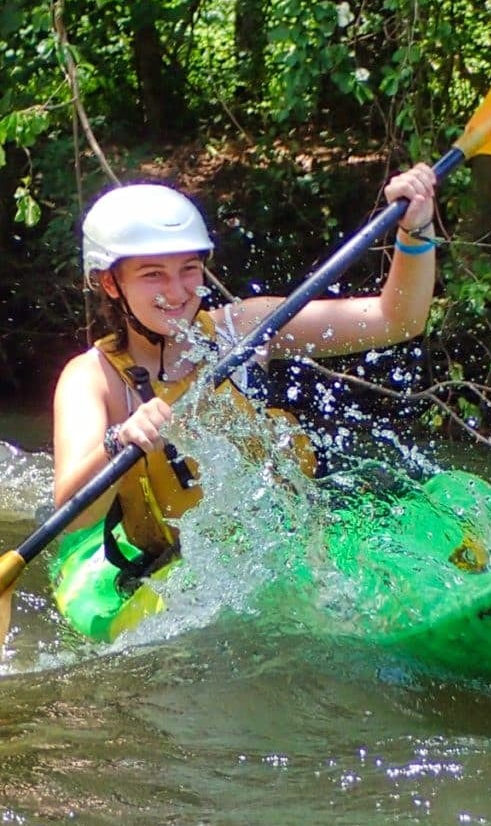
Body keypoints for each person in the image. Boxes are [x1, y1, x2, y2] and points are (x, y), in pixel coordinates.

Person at [53, 163, 437, 576]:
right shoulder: (91, 378)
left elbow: (396, 320)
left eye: (189, 268)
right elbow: (72, 517)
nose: (179, 291)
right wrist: (118, 440)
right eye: (153, 275)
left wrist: (415, 229)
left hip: (286, 542)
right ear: (111, 284)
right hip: (180, 570)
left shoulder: (245, 329)